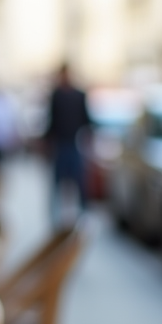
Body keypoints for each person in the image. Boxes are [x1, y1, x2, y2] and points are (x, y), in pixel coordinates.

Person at [43, 64, 91, 224]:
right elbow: (51, 122)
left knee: (79, 180)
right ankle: (55, 214)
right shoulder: (56, 95)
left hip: (74, 143)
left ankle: (83, 211)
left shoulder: (79, 95)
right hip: (60, 145)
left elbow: (87, 120)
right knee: (57, 182)